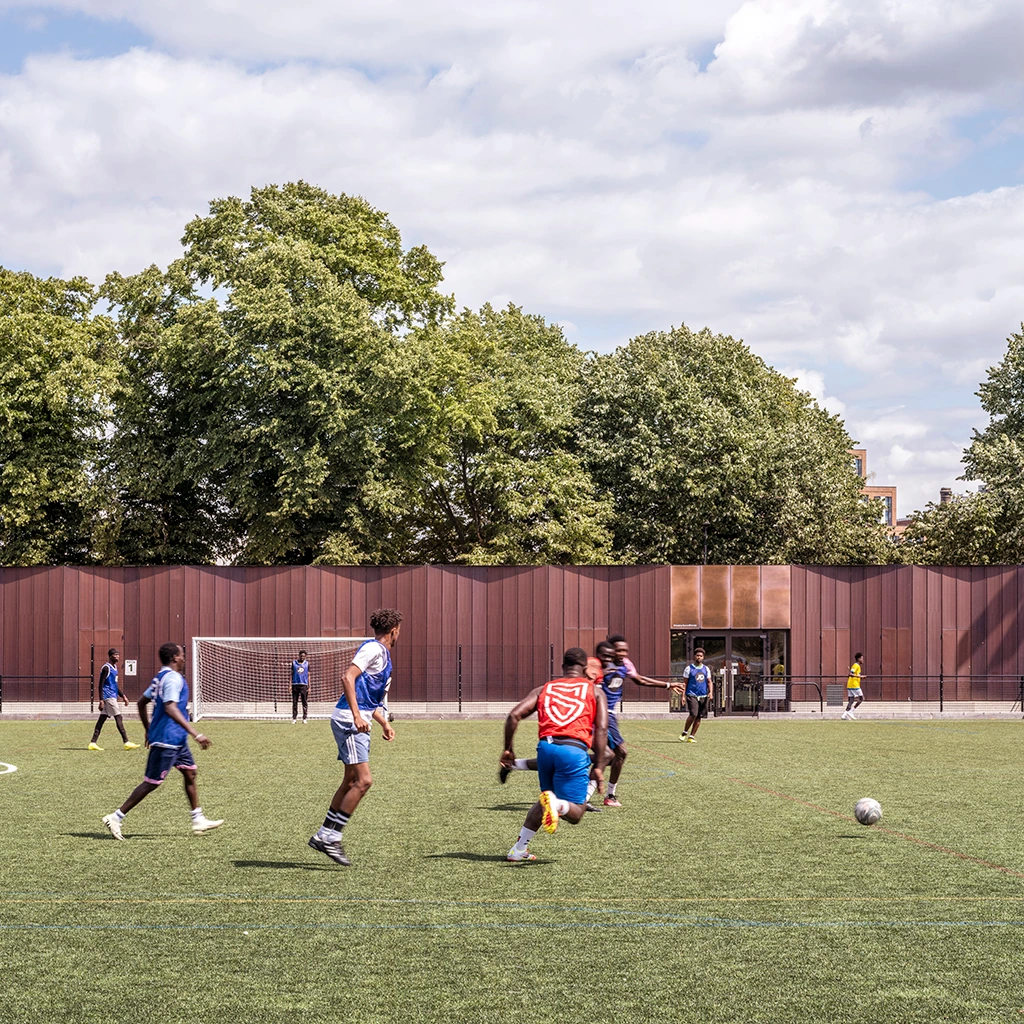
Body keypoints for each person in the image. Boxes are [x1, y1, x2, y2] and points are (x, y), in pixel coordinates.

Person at [307, 608, 402, 867]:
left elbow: (370, 697)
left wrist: (382, 722)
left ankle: (323, 835)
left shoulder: (382, 654)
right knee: (364, 781)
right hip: (350, 722)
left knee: (350, 780)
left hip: (355, 720)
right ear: (394, 630)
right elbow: (347, 677)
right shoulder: (373, 649)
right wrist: (357, 715)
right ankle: (332, 837)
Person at [101, 643, 223, 839]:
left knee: (190, 772)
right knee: (151, 782)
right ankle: (116, 817)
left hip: (176, 739)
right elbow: (170, 708)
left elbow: (142, 702)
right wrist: (195, 733)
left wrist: (148, 730)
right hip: (168, 738)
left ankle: (198, 818)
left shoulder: (161, 677)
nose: (184, 659)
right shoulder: (173, 678)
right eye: (182, 655)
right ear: (175, 657)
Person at [502, 647, 608, 862]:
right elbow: (603, 729)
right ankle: (559, 805)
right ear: (585, 668)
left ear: (563, 667)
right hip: (573, 750)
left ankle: (518, 849)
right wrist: (597, 766)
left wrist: (508, 749)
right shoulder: (594, 690)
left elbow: (514, 716)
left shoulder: (545, 688)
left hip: (545, 749)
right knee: (576, 812)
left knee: (543, 801)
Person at [589, 639, 682, 807]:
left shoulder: (625, 664)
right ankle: (597, 795)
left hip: (610, 716)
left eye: (625, 650)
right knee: (618, 753)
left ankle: (602, 794)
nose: (623, 654)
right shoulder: (599, 666)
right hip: (600, 716)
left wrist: (668, 685)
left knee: (611, 755)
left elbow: (640, 680)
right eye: (619, 650)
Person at [88, 648, 140, 751]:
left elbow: (114, 685)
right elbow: (100, 685)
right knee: (118, 717)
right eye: (115, 655)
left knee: (101, 720)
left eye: (118, 655)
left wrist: (123, 696)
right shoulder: (106, 668)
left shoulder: (115, 668)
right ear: (110, 656)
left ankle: (92, 743)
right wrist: (101, 700)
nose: (118, 657)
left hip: (112, 695)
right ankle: (126, 742)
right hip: (108, 697)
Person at [679, 647, 714, 742]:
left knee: (699, 716)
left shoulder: (706, 669)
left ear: (703, 657)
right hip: (691, 694)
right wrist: (683, 696)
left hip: (703, 696)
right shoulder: (689, 669)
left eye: (701, 656)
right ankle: (685, 732)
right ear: (694, 656)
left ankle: (691, 736)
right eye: (697, 655)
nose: (699, 657)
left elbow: (709, 681)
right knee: (693, 713)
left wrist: (710, 692)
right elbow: (685, 683)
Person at [842, 652, 865, 720]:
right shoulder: (856, 665)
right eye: (861, 658)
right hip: (854, 684)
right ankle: (851, 711)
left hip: (850, 684)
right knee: (861, 698)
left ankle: (844, 715)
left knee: (851, 700)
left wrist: (859, 677)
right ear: (858, 659)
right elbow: (851, 674)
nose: (862, 660)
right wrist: (860, 676)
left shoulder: (856, 666)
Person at [291, 649, 310, 724]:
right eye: (301, 656)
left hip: (304, 685)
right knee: (295, 702)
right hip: (295, 684)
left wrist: (309, 686)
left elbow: (309, 675)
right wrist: (290, 685)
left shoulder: (307, 664)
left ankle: (304, 718)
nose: (302, 657)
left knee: (304, 702)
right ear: (299, 656)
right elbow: (291, 674)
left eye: (304, 656)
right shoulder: (294, 663)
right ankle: (294, 718)